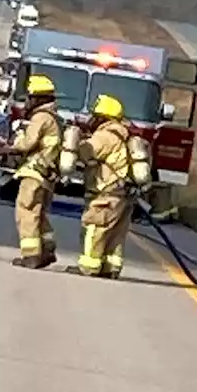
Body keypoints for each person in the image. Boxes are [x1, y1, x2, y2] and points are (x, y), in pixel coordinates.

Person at [69, 93, 138, 280]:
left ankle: (89, 266)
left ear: (103, 117)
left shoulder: (106, 136)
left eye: (95, 115)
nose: (92, 119)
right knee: (116, 233)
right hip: (124, 194)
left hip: (107, 192)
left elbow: (86, 152)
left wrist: (76, 141)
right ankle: (110, 267)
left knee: (94, 226)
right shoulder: (123, 134)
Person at [8, 73, 62, 269]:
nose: (28, 102)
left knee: (27, 212)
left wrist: (10, 146)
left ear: (40, 98)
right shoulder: (54, 118)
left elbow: (28, 143)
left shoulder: (41, 117)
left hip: (34, 172)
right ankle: (47, 249)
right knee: (39, 214)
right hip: (46, 175)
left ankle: (31, 255)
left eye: (30, 97)